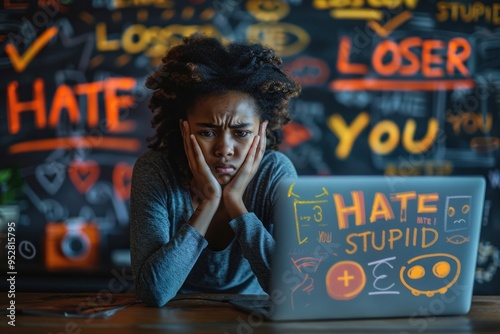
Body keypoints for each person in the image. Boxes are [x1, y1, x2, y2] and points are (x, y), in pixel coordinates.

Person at [130, 34, 301, 307]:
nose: (225, 149)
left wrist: (235, 204)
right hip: (172, 316)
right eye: (208, 132)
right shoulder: (156, 171)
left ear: (261, 131)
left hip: (251, 315)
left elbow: (294, 286)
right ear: (183, 128)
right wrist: (209, 203)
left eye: (241, 133)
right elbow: (154, 292)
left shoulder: (275, 174)